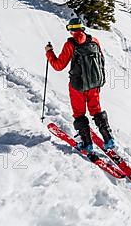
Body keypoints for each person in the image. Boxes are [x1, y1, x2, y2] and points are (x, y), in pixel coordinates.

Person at [45, 18, 116, 156]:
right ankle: (109, 140)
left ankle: (87, 144)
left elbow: (59, 66)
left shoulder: (70, 44)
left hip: (78, 86)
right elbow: (101, 61)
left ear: (71, 29)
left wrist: (49, 52)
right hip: (94, 84)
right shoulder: (94, 41)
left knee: (79, 113)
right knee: (96, 110)